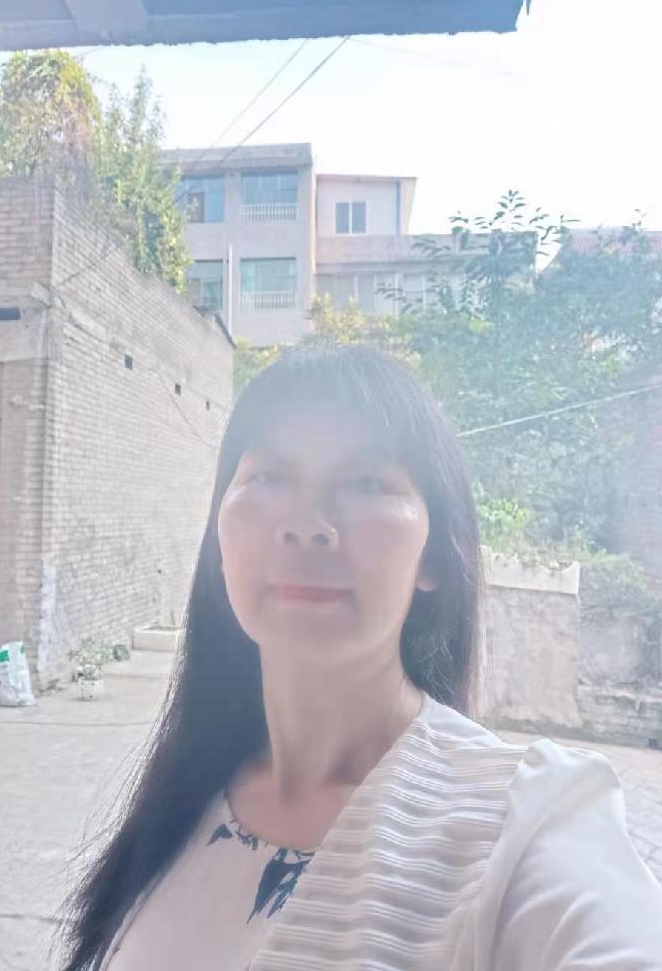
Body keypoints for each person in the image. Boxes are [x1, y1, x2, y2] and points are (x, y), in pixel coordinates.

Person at [60, 345, 662, 971]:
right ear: (219, 535)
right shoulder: (181, 798)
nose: (306, 524)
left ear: (434, 555)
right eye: (268, 477)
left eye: (368, 483)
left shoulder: (528, 819)